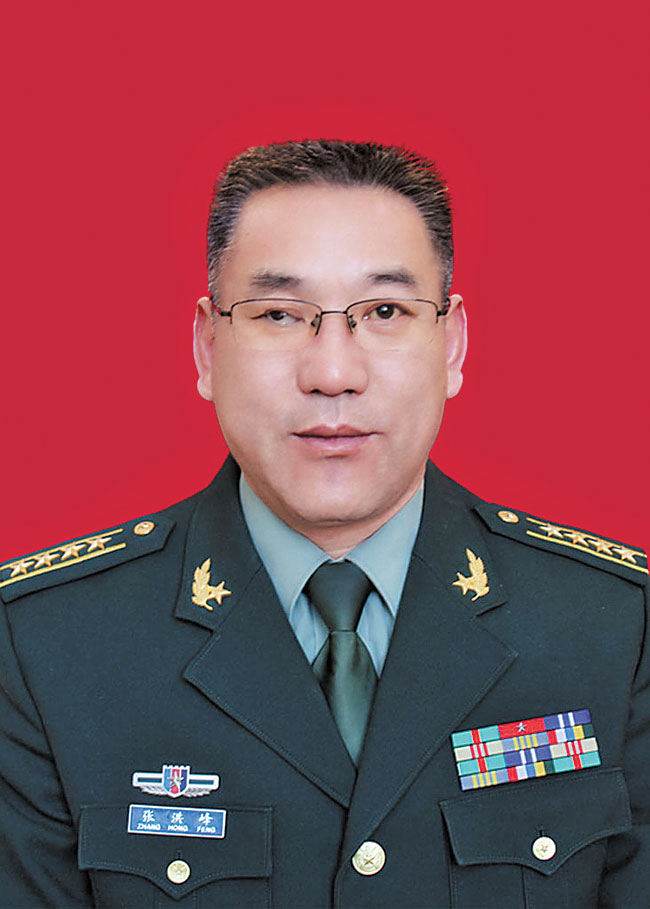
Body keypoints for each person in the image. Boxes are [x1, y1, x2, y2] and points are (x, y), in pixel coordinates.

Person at [0, 140, 647, 909]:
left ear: (452, 343)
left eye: (384, 312)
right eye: (279, 314)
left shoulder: (613, 625)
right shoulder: (44, 643)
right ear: (208, 345)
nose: (333, 373)